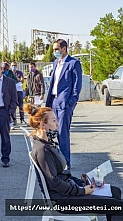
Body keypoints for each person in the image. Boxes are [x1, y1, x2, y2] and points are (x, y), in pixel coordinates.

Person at [24, 104, 123, 221]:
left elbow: (64, 175)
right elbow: (54, 183)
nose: (57, 124)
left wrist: (85, 181)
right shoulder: (42, 150)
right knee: (118, 206)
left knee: (116, 191)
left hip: (68, 192)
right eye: (54, 120)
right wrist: (82, 190)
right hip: (62, 201)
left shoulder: (48, 144)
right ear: (42, 125)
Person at [46, 39, 82, 169]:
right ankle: (55, 161)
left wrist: (71, 102)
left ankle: (66, 163)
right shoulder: (56, 62)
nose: (54, 51)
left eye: (56, 49)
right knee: (50, 132)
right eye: (54, 49)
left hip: (64, 103)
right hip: (53, 101)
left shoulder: (73, 63)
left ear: (64, 48)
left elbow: (77, 86)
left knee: (62, 133)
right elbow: (53, 83)